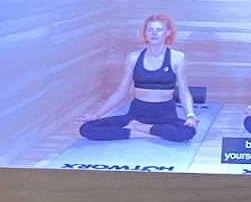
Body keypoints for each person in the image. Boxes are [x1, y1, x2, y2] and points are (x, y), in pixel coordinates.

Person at [80, 14, 198, 142]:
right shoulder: (133, 57)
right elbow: (121, 91)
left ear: (168, 32)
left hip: (166, 116)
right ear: (145, 32)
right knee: (86, 129)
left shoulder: (178, 57)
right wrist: (97, 114)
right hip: (137, 114)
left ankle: (139, 128)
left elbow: (184, 91)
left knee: (188, 132)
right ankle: (148, 133)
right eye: (150, 29)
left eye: (159, 30)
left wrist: (190, 115)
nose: (154, 33)